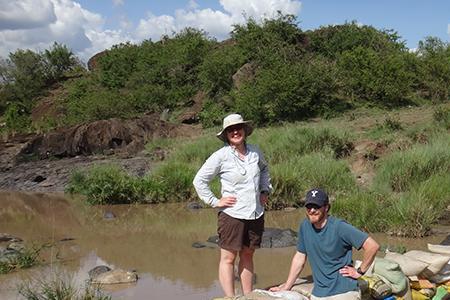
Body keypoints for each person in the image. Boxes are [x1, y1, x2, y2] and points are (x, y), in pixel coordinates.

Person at [193, 113, 271, 297]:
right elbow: (199, 180)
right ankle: (230, 297)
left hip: (255, 213)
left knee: (247, 255)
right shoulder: (220, 156)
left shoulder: (255, 152)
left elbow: (265, 169)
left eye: (238, 128)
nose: (235, 132)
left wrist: (265, 190)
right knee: (228, 258)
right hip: (232, 215)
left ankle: (248, 295)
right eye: (230, 130)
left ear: (244, 130)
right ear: (226, 134)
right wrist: (214, 201)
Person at [270, 188, 380, 300]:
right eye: (309, 207)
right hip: (319, 293)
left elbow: (372, 246)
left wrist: (359, 272)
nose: (312, 210)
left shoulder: (339, 227)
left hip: (343, 292)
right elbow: (300, 257)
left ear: (326, 207)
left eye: (316, 206)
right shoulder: (305, 226)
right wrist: (287, 286)